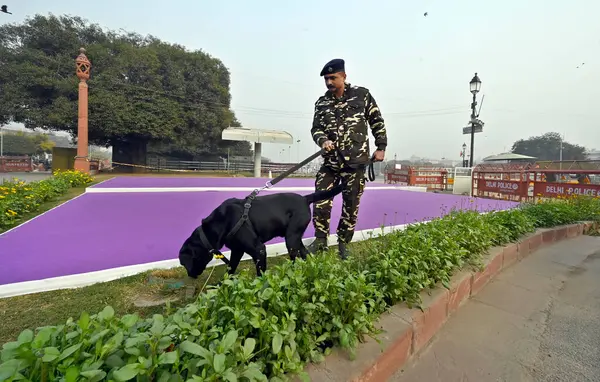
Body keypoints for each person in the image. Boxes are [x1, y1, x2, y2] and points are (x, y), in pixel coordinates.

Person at [307, 58, 387, 259]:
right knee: (321, 199)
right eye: (326, 79)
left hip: (355, 163)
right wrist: (322, 140)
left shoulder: (362, 95)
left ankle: (344, 243)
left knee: (351, 204)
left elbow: (376, 120)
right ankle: (320, 240)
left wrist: (381, 147)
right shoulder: (322, 102)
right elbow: (315, 128)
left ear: (344, 76)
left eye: (333, 78)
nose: (329, 83)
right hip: (330, 163)